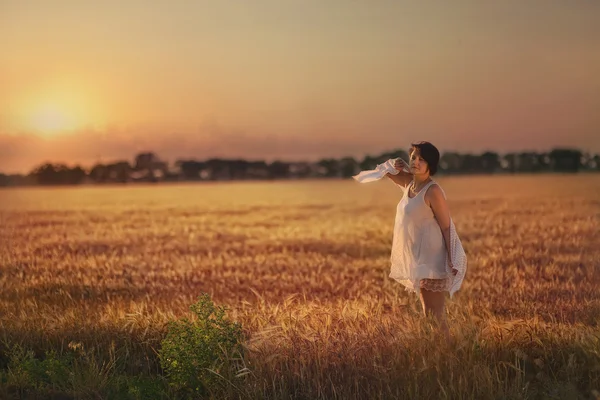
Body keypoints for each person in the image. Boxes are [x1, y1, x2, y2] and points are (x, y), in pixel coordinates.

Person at [385, 141, 459, 340]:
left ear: (430, 165)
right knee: (429, 313)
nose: (416, 162)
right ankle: (440, 351)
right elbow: (384, 171)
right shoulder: (410, 184)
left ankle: (448, 353)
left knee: (435, 314)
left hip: (432, 257)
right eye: (413, 157)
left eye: (422, 159)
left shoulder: (432, 191)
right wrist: (395, 163)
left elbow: (446, 226)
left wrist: (452, 258)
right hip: (418, 256)